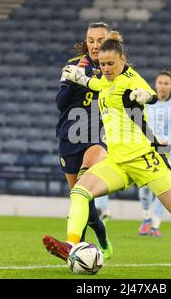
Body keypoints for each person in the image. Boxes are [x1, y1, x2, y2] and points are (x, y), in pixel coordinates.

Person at [43, 31, 171, 263]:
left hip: (144, 159)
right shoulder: (106, 80)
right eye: (103, 64)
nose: (105, 68)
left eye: (110, 64)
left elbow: (151, 95)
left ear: (122, 60)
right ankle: (72, 245)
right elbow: (97, 84)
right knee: (79, 192)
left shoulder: (131, 78)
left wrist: (144, 96)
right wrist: (78, 77)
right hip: (117, 162)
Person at [49, 22, 113, 259]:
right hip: (70, 136)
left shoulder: (114, 69)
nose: (95, 45)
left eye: (100, 40)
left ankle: (76, 249)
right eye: (91, 40)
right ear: (85, 42)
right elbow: (60, 103)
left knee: (83, 190)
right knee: (80, 196)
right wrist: (78, 77)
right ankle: (102, 234)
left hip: (97, 137)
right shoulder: (73, 65)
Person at [138, 69, 171, 237]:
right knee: (145, 186)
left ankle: (155, 225)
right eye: (160, 82)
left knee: (164, 187)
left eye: (166, 83)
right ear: (155, 84)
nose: (162, 86)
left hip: (169, 151)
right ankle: (146, 218)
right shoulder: (147, 100)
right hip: (148, 148)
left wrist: (170, 138)